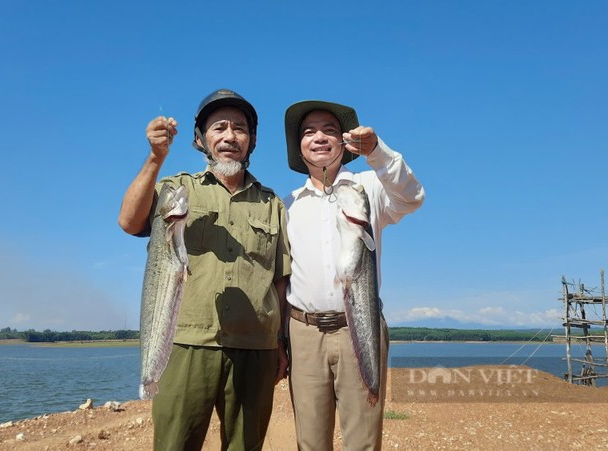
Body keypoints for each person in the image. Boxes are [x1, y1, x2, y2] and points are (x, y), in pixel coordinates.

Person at [118, 89, 291, 450]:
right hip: (184, 344)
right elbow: (129, 221)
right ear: (201, 139)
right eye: (219, 127)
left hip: (255, 348)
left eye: (240, 129)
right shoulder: (176, 188)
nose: (230, 137)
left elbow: (279, 282)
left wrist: (280, 343)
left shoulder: (273, 203)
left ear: (252, 141)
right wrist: (155, 157)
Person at [282, 100, 425, 450]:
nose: (319, 137)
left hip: (359, 325)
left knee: (362, 440)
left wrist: (376, 152)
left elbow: (411, 197)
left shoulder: (368, 187)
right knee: (310, 441)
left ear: (343, 143)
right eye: (309, 132)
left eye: (329, 130)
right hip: (302, 333)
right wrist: (279, 341)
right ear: (298, 146)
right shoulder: (287, 204)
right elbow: (281, 276)